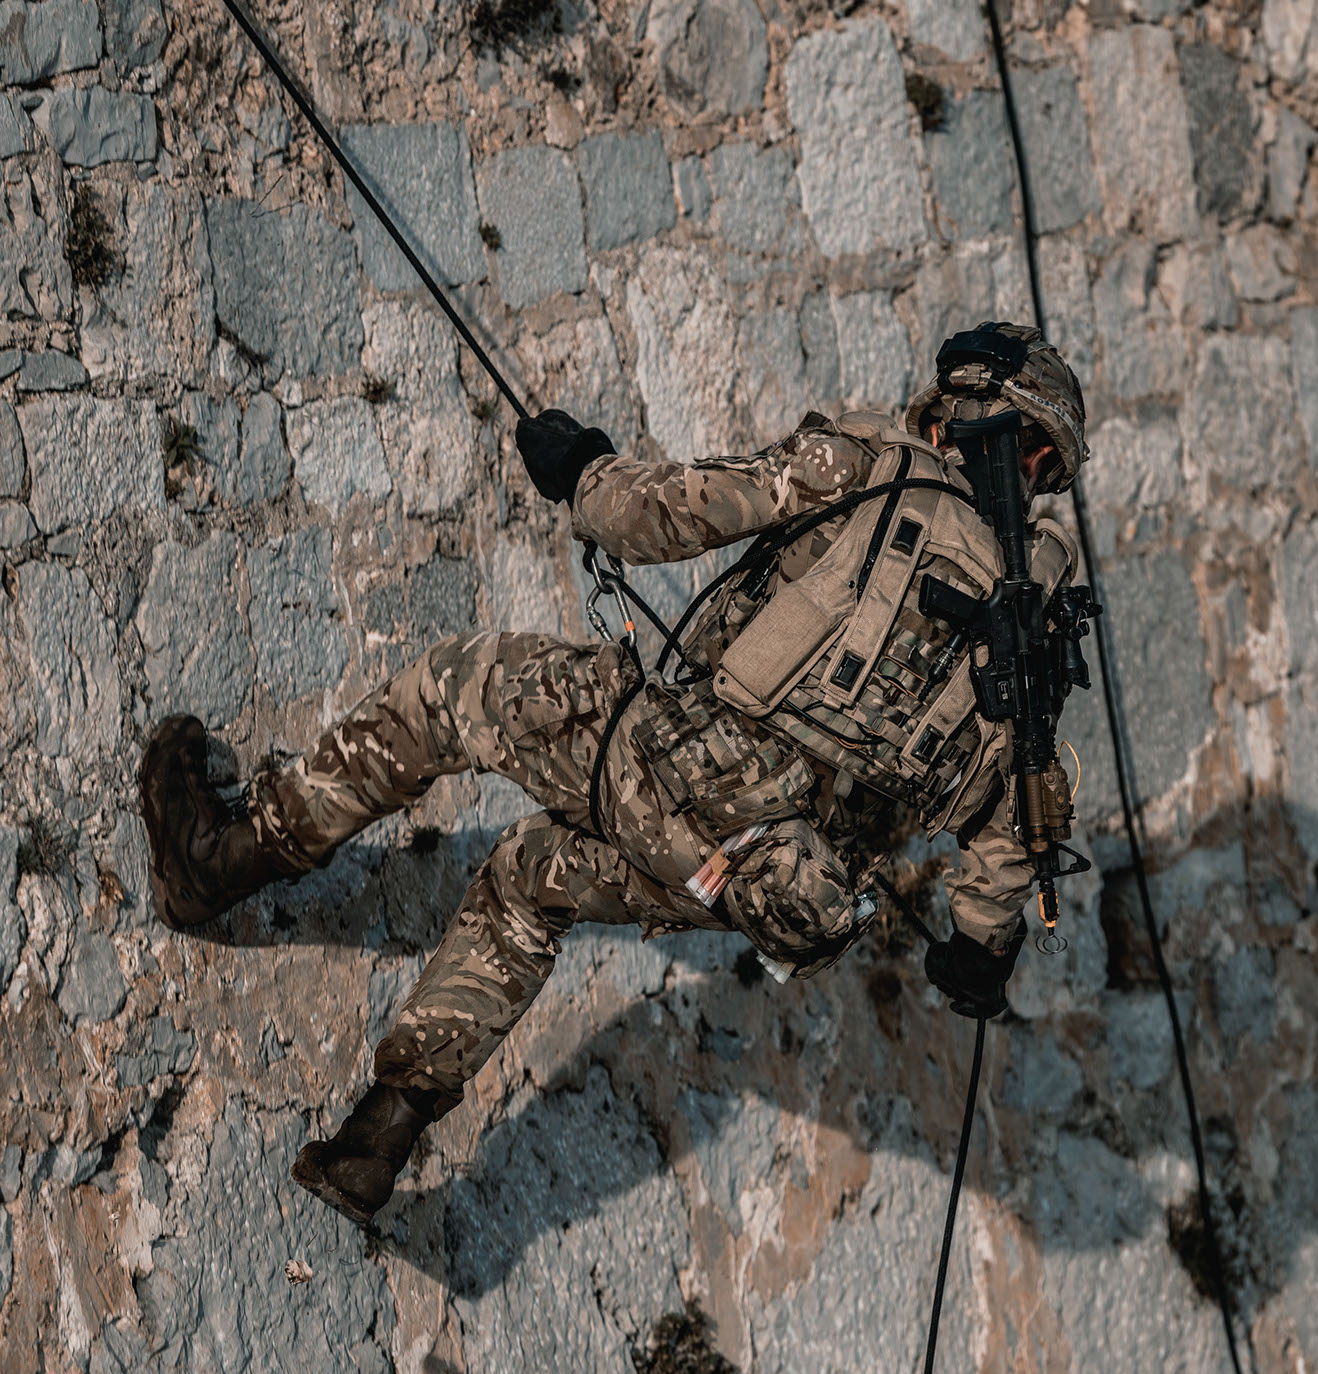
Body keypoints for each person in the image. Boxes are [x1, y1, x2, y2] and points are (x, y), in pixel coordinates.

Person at [139, 321, 1089, 1225]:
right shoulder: (1024, 650)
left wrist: (582, 470)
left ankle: (221, 857)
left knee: (454, 688)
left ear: (960, 410)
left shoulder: (874, 465)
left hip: (666, 773)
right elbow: (1007, 853)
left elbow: (669, 515)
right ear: (1039, 466)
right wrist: (974, 950)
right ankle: (371, 1144)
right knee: (526, 883)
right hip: (759, 892)